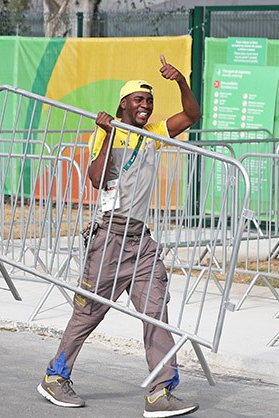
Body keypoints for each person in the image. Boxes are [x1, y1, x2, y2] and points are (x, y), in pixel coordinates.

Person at [37, 56, 202, 417]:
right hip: (110, 235)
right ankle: (55, 376)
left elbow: (191, 116)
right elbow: (96, 178)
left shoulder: (154, 133)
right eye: (139, 100)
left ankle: (160, 392)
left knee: (156, 313)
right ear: (124, 104)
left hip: (141, 241)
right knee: (89, 311)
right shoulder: (108, 131)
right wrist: (110, 133)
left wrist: (181, 82)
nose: (146, 105)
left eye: (150, 101)